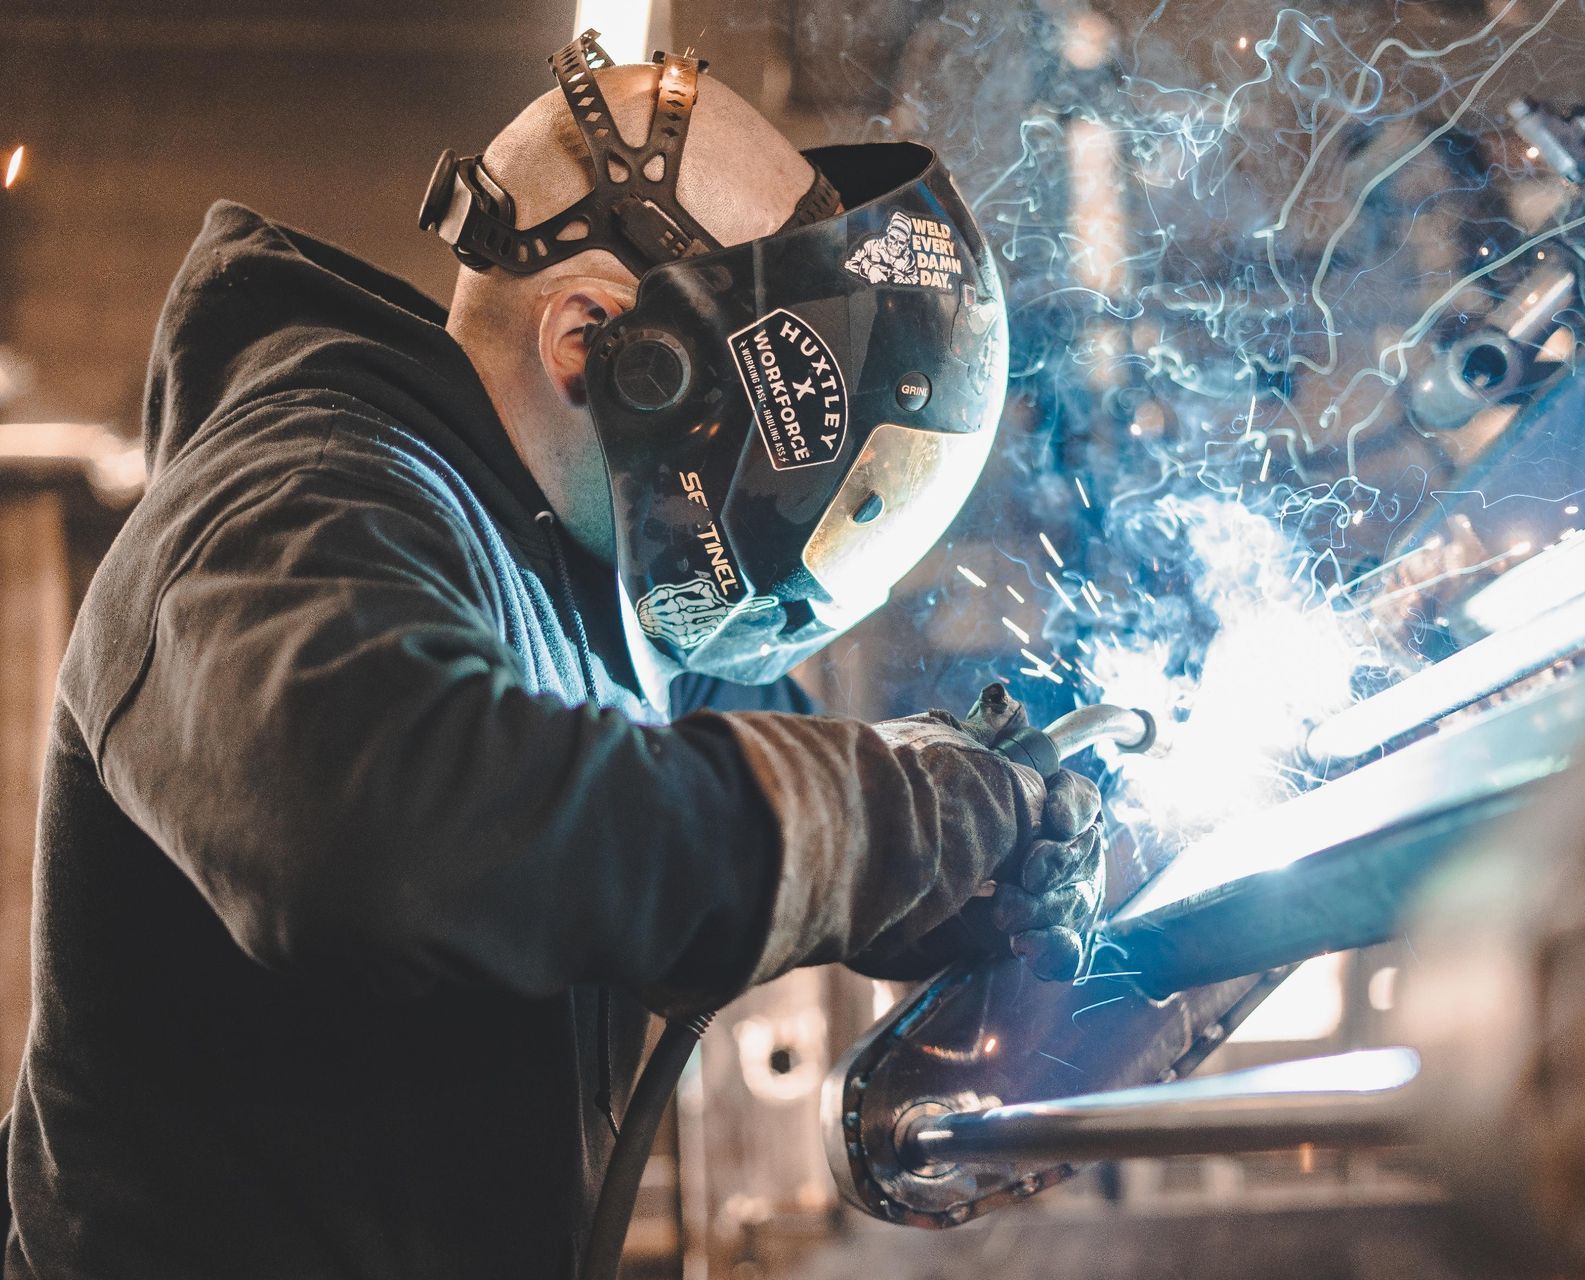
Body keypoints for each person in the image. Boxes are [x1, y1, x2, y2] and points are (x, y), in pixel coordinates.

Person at [2, 34, 1102, 1280]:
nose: (782, 535)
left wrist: (950, 851)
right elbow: (389, 824)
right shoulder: (287, 513)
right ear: (597, 340)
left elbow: (741, 762)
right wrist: (869, 822)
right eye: (771, 453)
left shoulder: (574, 571)